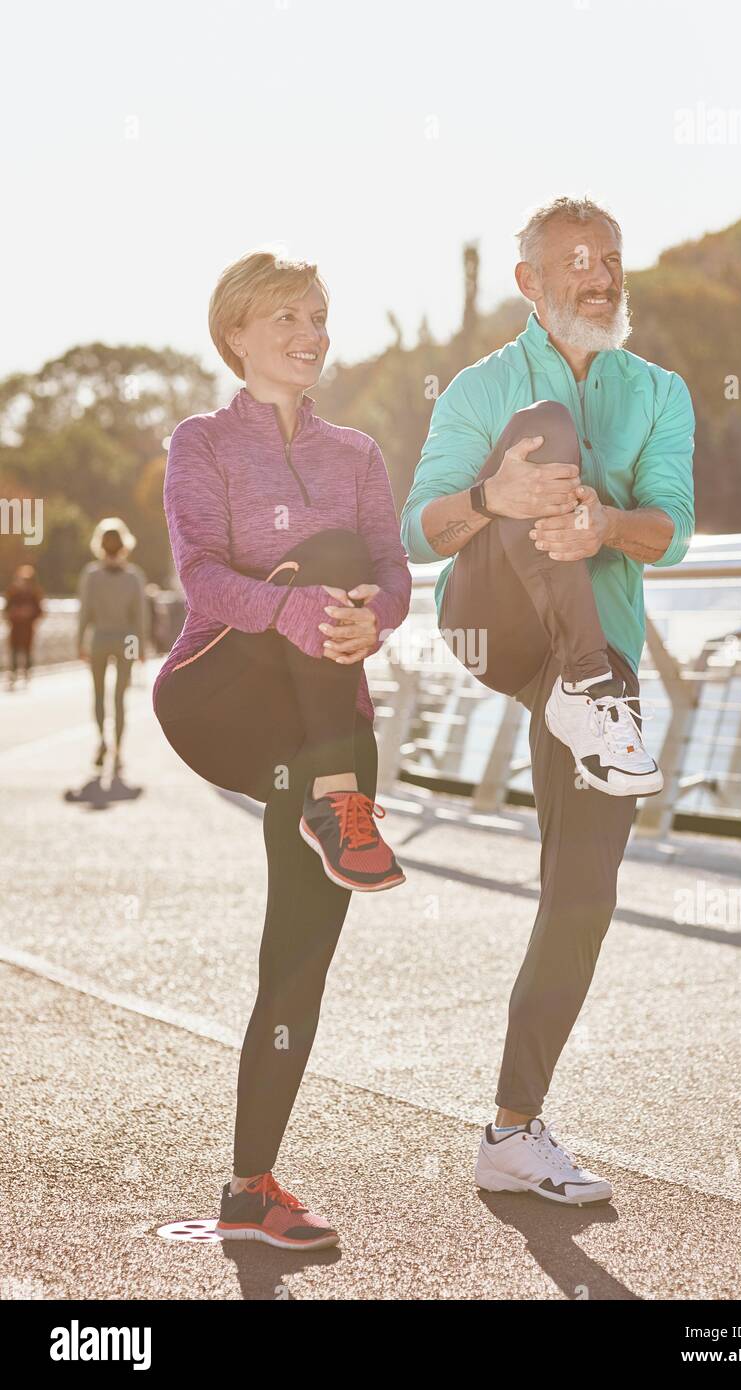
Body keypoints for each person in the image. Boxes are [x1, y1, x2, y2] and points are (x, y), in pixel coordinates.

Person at [401, 197, 696, 1206]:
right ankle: (584, 682)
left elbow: (672, 530)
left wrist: (602, 524)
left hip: (599, 664)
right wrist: (501, 500)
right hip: (495, 621)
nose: (599, 276)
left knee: (580, 897)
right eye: (575, 261)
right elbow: (417, 528)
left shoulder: (658, 390)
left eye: (611, 259)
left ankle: (511, 1129)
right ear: (528, 282)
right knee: (541, 433)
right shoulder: (486, 389)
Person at [152, 247, 411, 1250]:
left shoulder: (355, 451)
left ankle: (249, 1188)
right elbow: (200, 576)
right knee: (334, 557)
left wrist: (369, 622)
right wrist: (302, 610)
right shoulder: (202, 441)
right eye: (284, 319)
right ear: (235, 336)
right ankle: (337, 801)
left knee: (297, 957)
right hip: (220, 695)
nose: (309, 335)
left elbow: (392, 569)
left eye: (317, 316)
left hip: (324, 723)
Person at [78, 518, 148, 772]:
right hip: (126, 640)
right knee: (120, 698)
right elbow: (140, 617)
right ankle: (118, 750)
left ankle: (101, 741)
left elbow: (84, 613)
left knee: (98, 695)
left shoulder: (91, 575)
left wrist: (80, 642)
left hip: (99, 638)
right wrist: (141, 648)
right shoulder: (134, 577)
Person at [3, 564, 44, 688]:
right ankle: (13, 672)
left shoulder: (35, 593)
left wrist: (29, 614)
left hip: (27, 628)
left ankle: (27, 672)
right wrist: (14, 613)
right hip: (15, 627)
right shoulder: (12, 591)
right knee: (14, 650)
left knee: (27, 651)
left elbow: (40, 611)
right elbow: (6, 609)